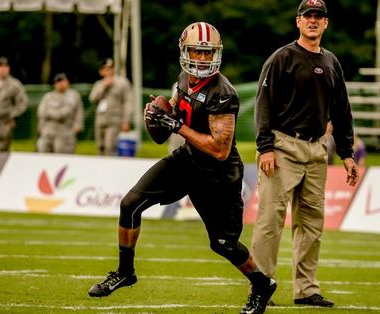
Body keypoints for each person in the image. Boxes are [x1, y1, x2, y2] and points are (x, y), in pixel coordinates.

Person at [88, 22, 276, 314]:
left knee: (224, 244)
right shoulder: (184, 79)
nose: (201, 58)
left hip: (218, 175)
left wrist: (177, 126)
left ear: (216, 54)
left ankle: (262, 284)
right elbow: (175, 109)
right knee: (130, 204)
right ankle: (126, 272)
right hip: (187, 161)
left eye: (206, 52)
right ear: (185, 52)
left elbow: (219, 148)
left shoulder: (223, 92)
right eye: (196, 51)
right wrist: (159, 113)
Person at [252, 0, 359, 308]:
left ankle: (306, 290)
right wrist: (265, 147)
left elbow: (341, 110)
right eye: (308, 16)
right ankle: (261, 285)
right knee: (270, 220)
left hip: (316, 150)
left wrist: (347, 152)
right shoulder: (282, 58)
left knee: (312, 224)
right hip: (283, 146)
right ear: (298, 21)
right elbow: (263, 104)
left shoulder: (331, 62)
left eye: (319, 16)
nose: (313, 21)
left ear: (326, 23)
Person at [89, 58, 134, 155]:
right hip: (101, 119)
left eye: (110, 68)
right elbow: (93, 99)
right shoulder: (99, 84)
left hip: (115, 120)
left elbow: (128, 102)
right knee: (100, 146)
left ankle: (110, 168)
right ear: (101, 71)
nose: (108, 71)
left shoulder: (122, 82)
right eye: (105, 69)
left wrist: (126, 120)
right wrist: (104, 87)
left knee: (110, 146)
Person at [36, 73, 84, 154]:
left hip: (66, 130)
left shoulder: (73, 95)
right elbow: (41, 113)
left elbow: (68, 112)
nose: (60, 84)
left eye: (62, 81)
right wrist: (41, 128)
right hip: (49, 130)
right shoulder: (48, 96)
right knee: (43, 150)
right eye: (58, 82)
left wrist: (77, 126)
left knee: (62, 154)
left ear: (67, 82)